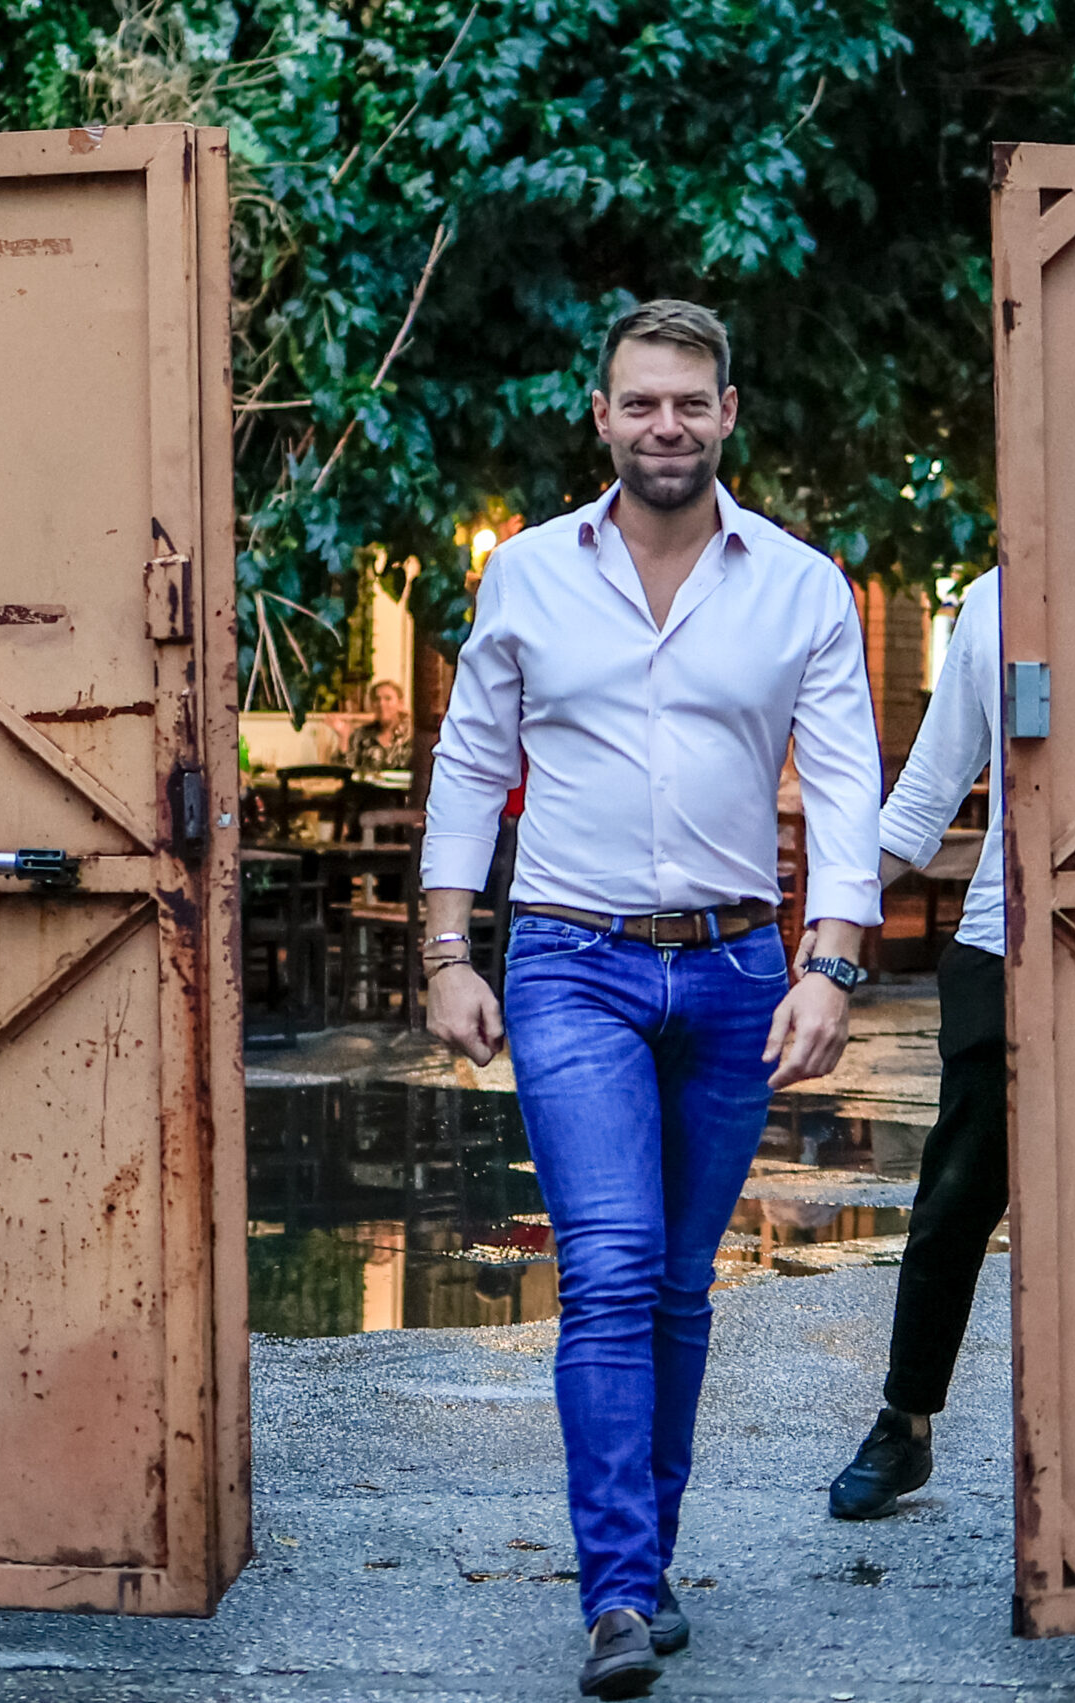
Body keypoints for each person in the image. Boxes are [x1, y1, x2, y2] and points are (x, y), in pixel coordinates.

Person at [420, 299, 882, 1699]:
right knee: (613, 1266)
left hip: (741, 966)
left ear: (727, 413)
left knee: (681, 1285)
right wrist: (448, 950)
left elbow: (848, 778)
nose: (666, 425)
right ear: (603, 415)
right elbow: (467, 758)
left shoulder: (799, 584)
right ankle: (616, 1593)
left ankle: (649, 1559)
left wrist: (833, 961)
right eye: (642, 402)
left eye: (691, 402)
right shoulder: (528, 577)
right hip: (572, 958)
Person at [823, 565, 1009, 1522]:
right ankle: (906, 1422)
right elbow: (928, 791)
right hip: (1001, 943)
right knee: (955, 1197)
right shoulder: (989, 600)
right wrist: (833, 937)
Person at [344, 677, 413, 771]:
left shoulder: (412, 735)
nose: (381, 703)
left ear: (400, 703)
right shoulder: (360, 735)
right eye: (376, 699)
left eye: (388, 699)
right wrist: (342, 738)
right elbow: (348, 770)